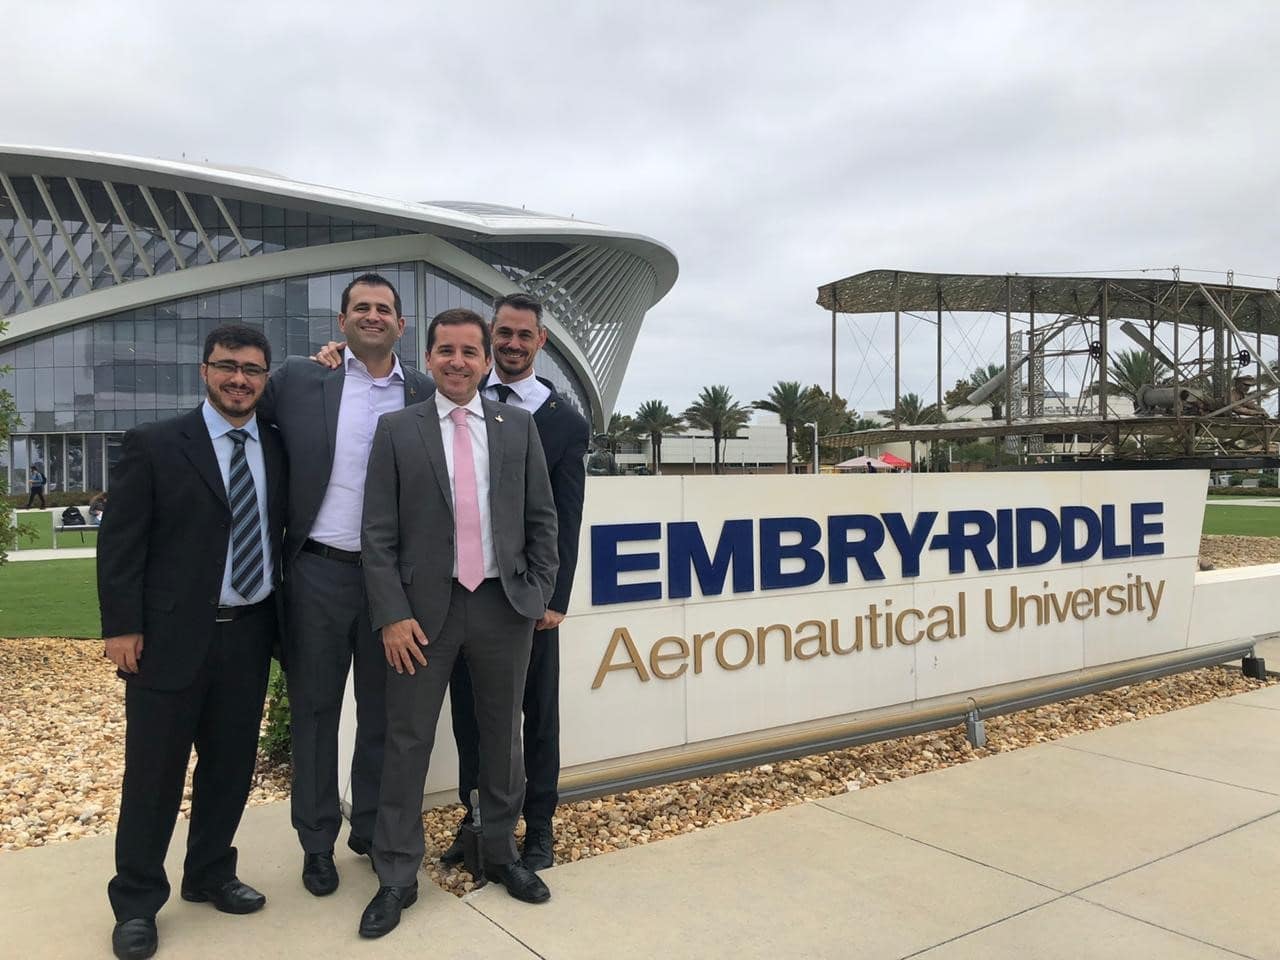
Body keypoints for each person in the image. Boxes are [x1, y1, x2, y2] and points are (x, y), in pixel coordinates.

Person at [357, 308, 558, 939]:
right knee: (407, 741)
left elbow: (542, 520)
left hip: (503, 607)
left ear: (485, 358)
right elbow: (378, 534)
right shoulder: (397, 429)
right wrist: (391, 613)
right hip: (422, 615)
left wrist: (534, 593)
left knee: (503, 741)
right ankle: (395, 874)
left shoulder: (518, 426)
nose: (458, 362)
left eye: (470, 351)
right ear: (430, 354)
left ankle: (499, 853)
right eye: (446, 350)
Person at [97, 324, 286, 960]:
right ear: (204, 371)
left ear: (266, 379)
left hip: (250, 633)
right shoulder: (155, 444)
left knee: (230, 770)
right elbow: (121, 542)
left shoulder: (277, 447)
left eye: (253, 369)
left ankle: (209, 874)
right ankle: (136, 901)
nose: (240, 379)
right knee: (152, 775)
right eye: (228, 366)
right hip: (169, 638)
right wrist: (122, 625)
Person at [256, 272, 433, 898]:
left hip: (392, 585)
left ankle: (370, 827)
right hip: (317, 574)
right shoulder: (303, 381)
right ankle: (315, 842)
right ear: (342, 321)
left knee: (386, 715)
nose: (373, 316)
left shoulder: (424, 391)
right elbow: (247, 423)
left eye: (384, 308)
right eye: (361, 307)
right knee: (315, 712)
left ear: (401, 324)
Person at [441, 293, 589, 873]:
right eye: (503, 333)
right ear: (489, 336)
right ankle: (475, 820)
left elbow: (567, 515)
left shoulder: (562, 421)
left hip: (528, 596)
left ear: (540, 342)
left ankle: (541, 826)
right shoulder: (454, 404)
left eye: (523, 335)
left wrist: (555, 598)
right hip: (465, 594)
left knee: (536, 713)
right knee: (470, 715)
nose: (512, 344)